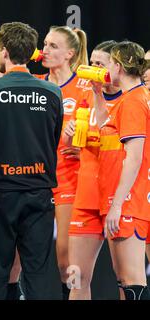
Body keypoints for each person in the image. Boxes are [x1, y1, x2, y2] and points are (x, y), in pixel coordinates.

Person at [0, 22, 63, 300]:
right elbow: (54, 138)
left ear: (3, 51)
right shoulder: (53, 91)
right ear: (33, 52)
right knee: (39, 271)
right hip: (39, 192)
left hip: (0, 193)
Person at [62, 41, 123, 300]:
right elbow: (74, 142)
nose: (94, 68)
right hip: (86, 194)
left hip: (119, 197)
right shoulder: (86, 95)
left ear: (117, 67)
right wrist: (69, 134)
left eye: (101, 63)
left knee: (126, 281)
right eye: (93, 63)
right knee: (77, 277)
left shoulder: (132, 98)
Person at [94, 41, 150, 300]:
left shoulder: (134, 101)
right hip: (123, 198)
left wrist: (117, 204)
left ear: (117, 66)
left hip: (129, 200)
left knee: (132, 279)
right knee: (122, 278)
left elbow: (135, 157)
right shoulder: (131, 99)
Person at [39, 25, 90, 299]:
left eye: (53, 46)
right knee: (25, 256)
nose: (45, 50)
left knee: (65, 260)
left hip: (69, 179)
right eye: (45, 44)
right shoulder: (34, 83)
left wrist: (85, 151)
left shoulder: (84, 87)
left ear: (70, 53)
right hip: (34, 178)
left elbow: (103, 130)